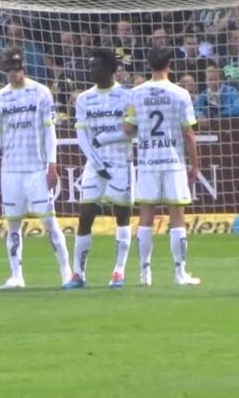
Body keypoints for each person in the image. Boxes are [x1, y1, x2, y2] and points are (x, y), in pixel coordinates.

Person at [0, 47, 72, 289]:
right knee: (13, 224)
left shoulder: (41, 92)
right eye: (9, 70)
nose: (14, 73)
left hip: (36, 168)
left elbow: (49, 130)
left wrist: (52, 164)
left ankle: (66, 273)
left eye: (17, 68)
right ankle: (16, 275)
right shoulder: (0, 97)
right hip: (10, 170)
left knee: (50, 222)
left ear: (23, 67)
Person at [123, 48, 201, 287]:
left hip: (147, 162)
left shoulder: (135, 94)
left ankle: (145, 274)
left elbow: (127, 129)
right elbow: (188, 133)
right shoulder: (180, 94)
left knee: (145, 216)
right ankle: (180, 273)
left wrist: (142, 128)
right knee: (176, 215)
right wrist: (195, 165)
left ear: (148, 65)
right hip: (173, 161)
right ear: (170, 64)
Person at [63, 49, 133, 289]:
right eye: (90, 66)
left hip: (122, 162)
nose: (91, 70)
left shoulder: (127, 96)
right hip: (94, 164)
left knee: (122, 217)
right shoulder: (84, 98)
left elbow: (131, 130)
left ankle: (118, 272)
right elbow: (82, 135)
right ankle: (78, 274)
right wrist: (97, 162)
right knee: (85, 216)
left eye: (95, 66)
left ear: (110, 68)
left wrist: (105, 139)